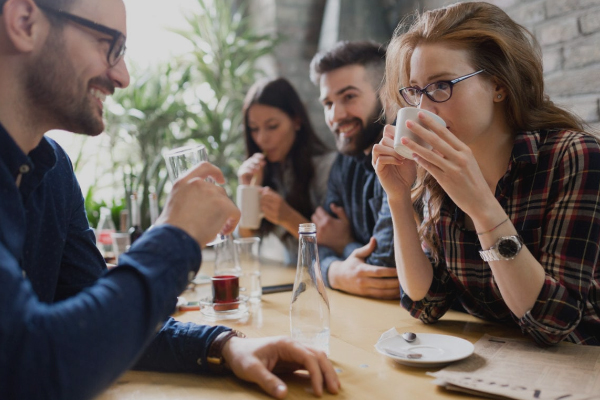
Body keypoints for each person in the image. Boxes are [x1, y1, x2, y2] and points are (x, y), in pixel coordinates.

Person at [0, 0, 341, 399]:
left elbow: (106, 322)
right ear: (24, 22)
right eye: (108, 44)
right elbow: (27, 366)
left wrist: (225, 345)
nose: (122, 76)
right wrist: (175, 235)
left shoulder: (55, 171)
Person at [372, 1, 600, 345]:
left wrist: (482, 208)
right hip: (496, 365)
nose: (423, 109)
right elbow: (425, 302)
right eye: (415, 91)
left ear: (499, 85)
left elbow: (553, 323)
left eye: (441, 85)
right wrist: (399, 197)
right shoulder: (441, 173)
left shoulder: (573, 158)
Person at [309, 41, 399, 300]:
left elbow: (384, 271)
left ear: (387, 94)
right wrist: (335, 272)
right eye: (328, 103)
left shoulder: (402, 156)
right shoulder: (344, 161)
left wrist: (342, 245)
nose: (335, 115)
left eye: (349, 97)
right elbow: (317, 246)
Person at [237, 77, 336, 264]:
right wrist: (247, 190)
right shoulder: (266, 171)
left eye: (272, 126)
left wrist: (288, 217)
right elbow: (245, 243)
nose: (261, 139)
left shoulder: (327, 168)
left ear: (296, 121)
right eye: (253, 129)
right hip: (286, 278)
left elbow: (337, 247)